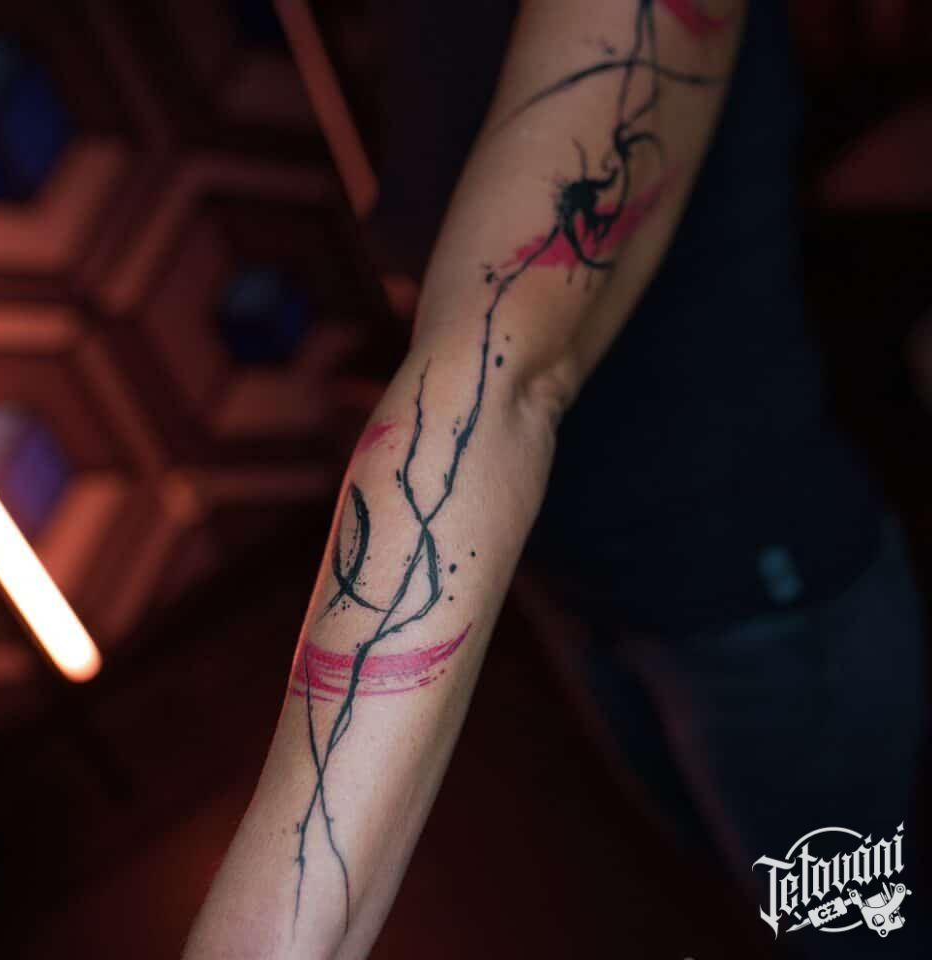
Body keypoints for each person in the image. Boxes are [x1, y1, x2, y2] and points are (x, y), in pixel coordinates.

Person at [183, 2, 929, 957]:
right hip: (588, 602)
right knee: (758, 901)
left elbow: (500, 376)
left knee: (844, 936)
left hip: (760, 617)